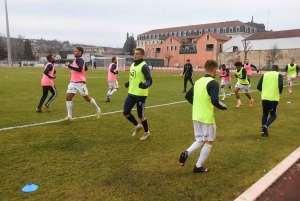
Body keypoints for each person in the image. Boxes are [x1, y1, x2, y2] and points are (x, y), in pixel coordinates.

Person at [178, 60, 227, 173]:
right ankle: (198, 166)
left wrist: (197, 105)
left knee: (200, 140)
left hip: (196, 116)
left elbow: (188, 95)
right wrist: (223, 107)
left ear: (205, 69)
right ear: (215, 69)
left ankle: (186, 153)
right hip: (207, 117)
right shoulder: (213, 83)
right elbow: (215, 101)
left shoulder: (198, 81)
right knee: (209, 141)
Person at [64, 47, 101, 120]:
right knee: (68, 98)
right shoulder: (79, 59)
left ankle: (98, 108)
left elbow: (80, 69)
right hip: (73, 82)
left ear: (80, 52)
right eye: (74, 51)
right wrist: (72, 71)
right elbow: (85, 68)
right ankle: (69, 116)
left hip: (80, 82)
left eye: (76, 51)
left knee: (87, 98)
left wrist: (69, 65)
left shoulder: (79, 59)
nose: (74, 52)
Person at [123, 48, 152, 140]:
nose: (135, 55)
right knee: (126, 112)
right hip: (131, 93)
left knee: (141, 116)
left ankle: (146, 132)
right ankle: (137, 126)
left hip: (140, 94)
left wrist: (144, 85)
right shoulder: (132, 65)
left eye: (137, 54)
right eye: (134, 53)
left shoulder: (144, 66)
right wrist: (129, 83)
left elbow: (149, 80)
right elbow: (134, 77)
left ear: (142, 55)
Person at [257, 65, 283, 137]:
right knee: (274, 115)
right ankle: (265, 125)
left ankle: (263, 132)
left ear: (271, 69)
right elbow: (280, 85)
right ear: (277, 69)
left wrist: (265, 91)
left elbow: (258, 87)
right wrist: (280, 91)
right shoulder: (279, 75)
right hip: (273, 98)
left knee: (265, 113)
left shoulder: (265, 75)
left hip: (264, 97)